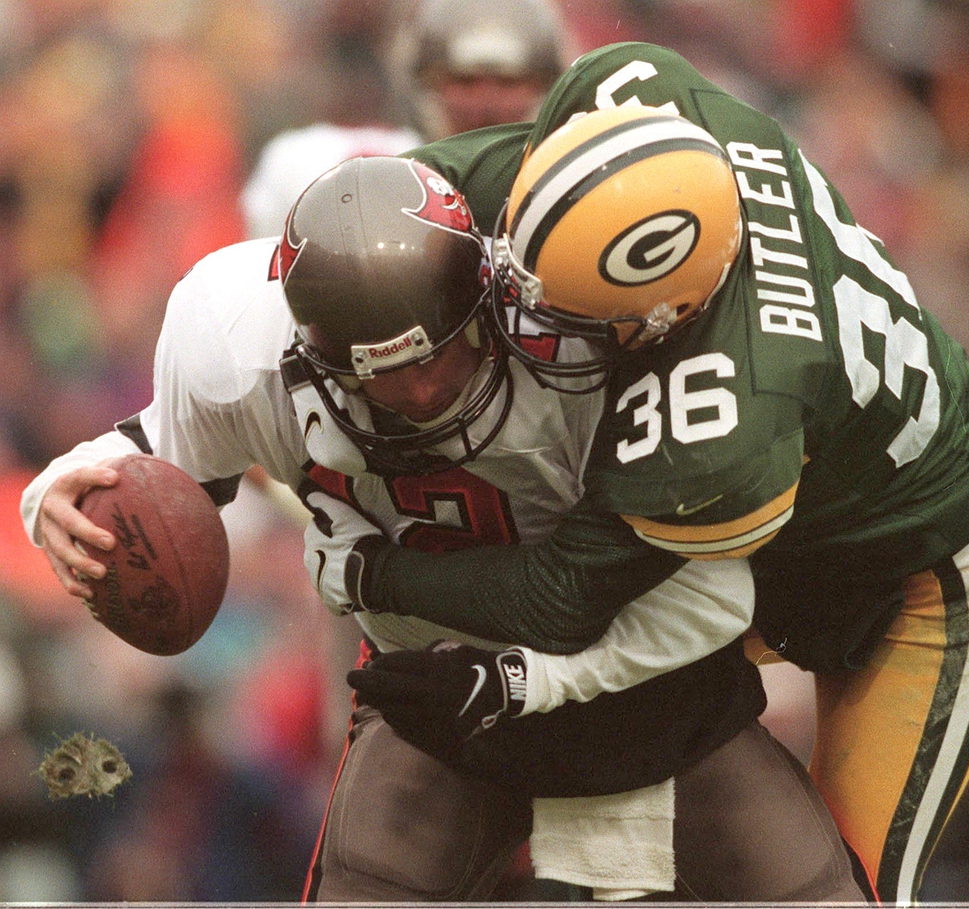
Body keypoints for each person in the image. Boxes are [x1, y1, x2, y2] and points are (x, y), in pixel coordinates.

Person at [328, 42, 969, 905]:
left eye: (568, 313)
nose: (529, 325)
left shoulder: (726, 419)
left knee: (836, 883)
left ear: (666, 315)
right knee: (614, 737)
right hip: (864, 452)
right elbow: (468, 181)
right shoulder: (639, 94)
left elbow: (562, 600)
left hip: (934, 568)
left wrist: (374, 571)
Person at [20, 155, 866, 902]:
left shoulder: (589, 330)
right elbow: (155, 459)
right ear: (313, 352)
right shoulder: (240, 346)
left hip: (656, 700)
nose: (425, 392)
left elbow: (712, 596)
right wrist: (56, 495)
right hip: (438, 715)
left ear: (493, 297)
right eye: (386, 375)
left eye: (441, 353)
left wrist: (518, 678)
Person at [240, 0, 570, 240]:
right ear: (424, 83)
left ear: (547, 86)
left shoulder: (572, 182)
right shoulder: (366, 164)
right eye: (464, 81)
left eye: (509, 82)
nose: (485, 102)